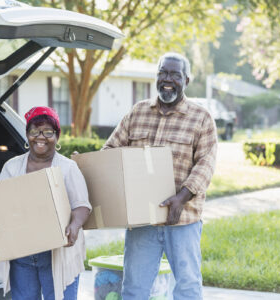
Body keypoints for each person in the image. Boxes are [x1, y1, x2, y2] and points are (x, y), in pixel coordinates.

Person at [102, 52, 217, 299]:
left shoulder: (201, 118)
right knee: (134, 289)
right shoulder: (138, 112)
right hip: (143, 220)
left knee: (188, 288)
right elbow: (110, 150)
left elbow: (206, 164)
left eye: (175, 74)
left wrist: (181, 197)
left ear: (186, 80)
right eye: (163, 73)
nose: (168, 79)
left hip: (183, 220)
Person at [0, 106, 91, 300]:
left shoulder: (68, 168)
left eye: (48, 132)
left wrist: (75, 225)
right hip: (22, 254)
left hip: (58, 254)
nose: (40, 137)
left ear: (57, 136)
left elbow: (82, 205)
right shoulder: (12, 166)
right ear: (27, 135)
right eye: (34, 131)